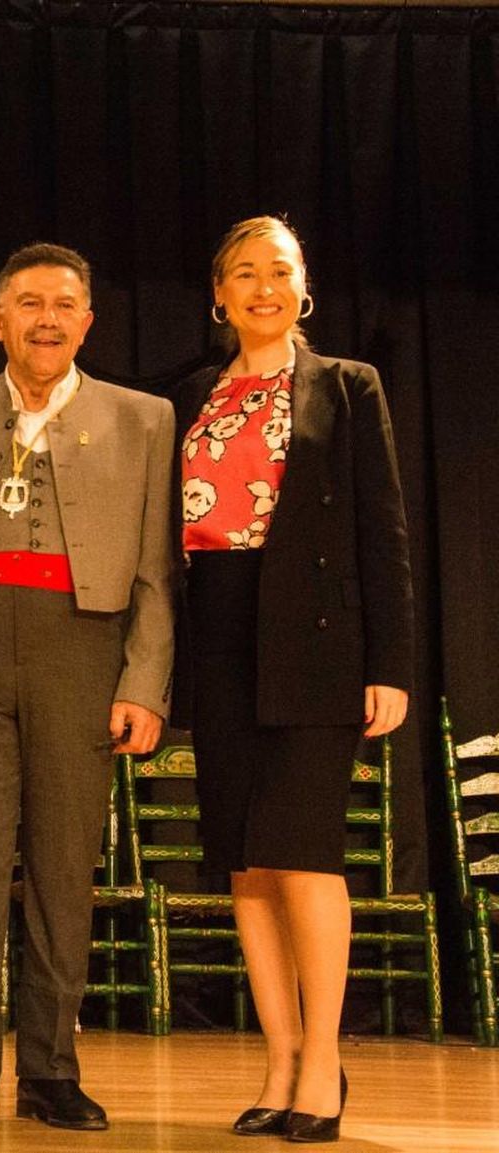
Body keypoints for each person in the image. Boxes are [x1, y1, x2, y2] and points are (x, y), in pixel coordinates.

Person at [0, 244, 174, 1134]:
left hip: (83, 650)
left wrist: (144, 681)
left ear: (88, 321)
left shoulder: (144, 418)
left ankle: (53, 1068)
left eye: (64, 303)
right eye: (28, 302)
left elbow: (156, 572)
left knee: (64, 868)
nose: (47, 318)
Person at [173, 216, 412, 1144]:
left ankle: (322, 1062)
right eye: (244, 273)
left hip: (316, 642)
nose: (262, 287)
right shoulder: (191, 394)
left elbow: (383, 533)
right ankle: (277, 1060)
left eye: (280, 271)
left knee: (305, 854)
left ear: (302, 287)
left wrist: (389, 663)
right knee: (246, 859)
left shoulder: (349, 387)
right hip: (220, 634)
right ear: (219, 294)